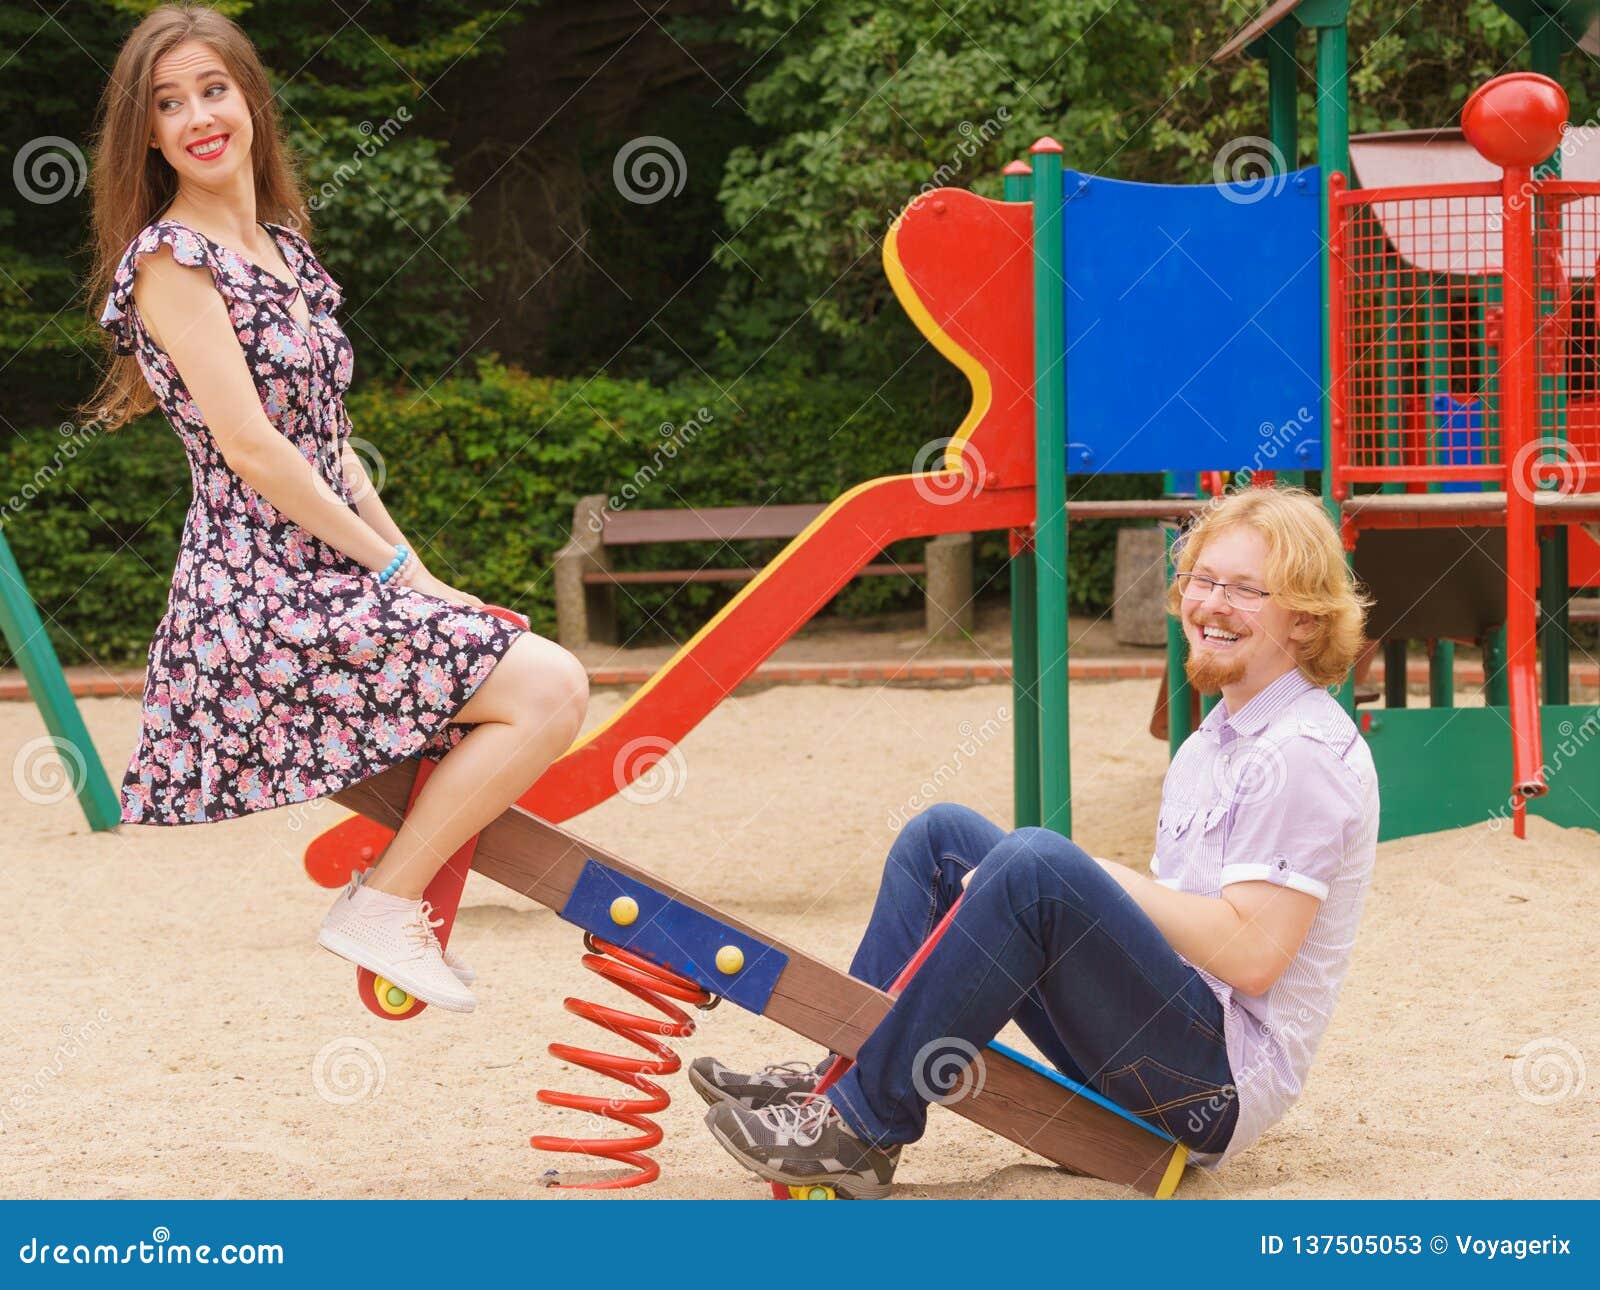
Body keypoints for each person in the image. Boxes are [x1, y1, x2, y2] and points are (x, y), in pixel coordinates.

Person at [83, 4, 588, 1014]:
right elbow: (256, 448)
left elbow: (334, 452)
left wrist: (421, 574)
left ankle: (391, 894)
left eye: (214, 91)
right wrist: (395, 576)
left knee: (531, 674)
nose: (198, 119)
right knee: (551, 687)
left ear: (251, 100)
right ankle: (385, 901)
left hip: (324, 571)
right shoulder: (171, 261)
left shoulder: (282, 249)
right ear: (146, 133)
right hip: (257, 593)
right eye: (170, 104)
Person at [696, 487, 1379, 1198]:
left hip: (1212, 1085)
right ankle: (837, 1073)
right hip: (1161, 1031)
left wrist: (1096, 879)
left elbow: (1253, 956)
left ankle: (863, 1128)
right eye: (1203, 581)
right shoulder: (1212, 744)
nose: (1211, 604)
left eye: (1245, 590)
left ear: (1303, 619)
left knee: (1038, 864)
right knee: (945, 839)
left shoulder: (1302, 752)